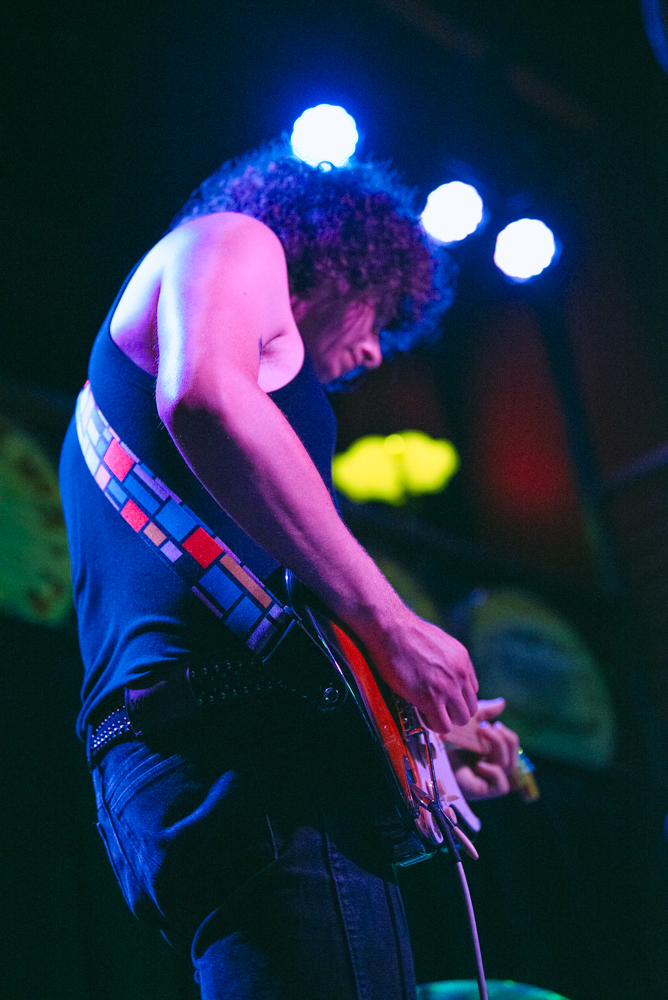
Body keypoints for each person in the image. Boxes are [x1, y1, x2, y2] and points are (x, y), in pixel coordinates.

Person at [59, 146, 519, 1000]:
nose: (379, 353)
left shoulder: (117, 406)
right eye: (381, 315)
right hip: (254, 762)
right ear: (339, 257)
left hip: (184, 759)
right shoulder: (233, 239)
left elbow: (248, 605)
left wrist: (422, 744)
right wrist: (395, 622)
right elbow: (205, 394)